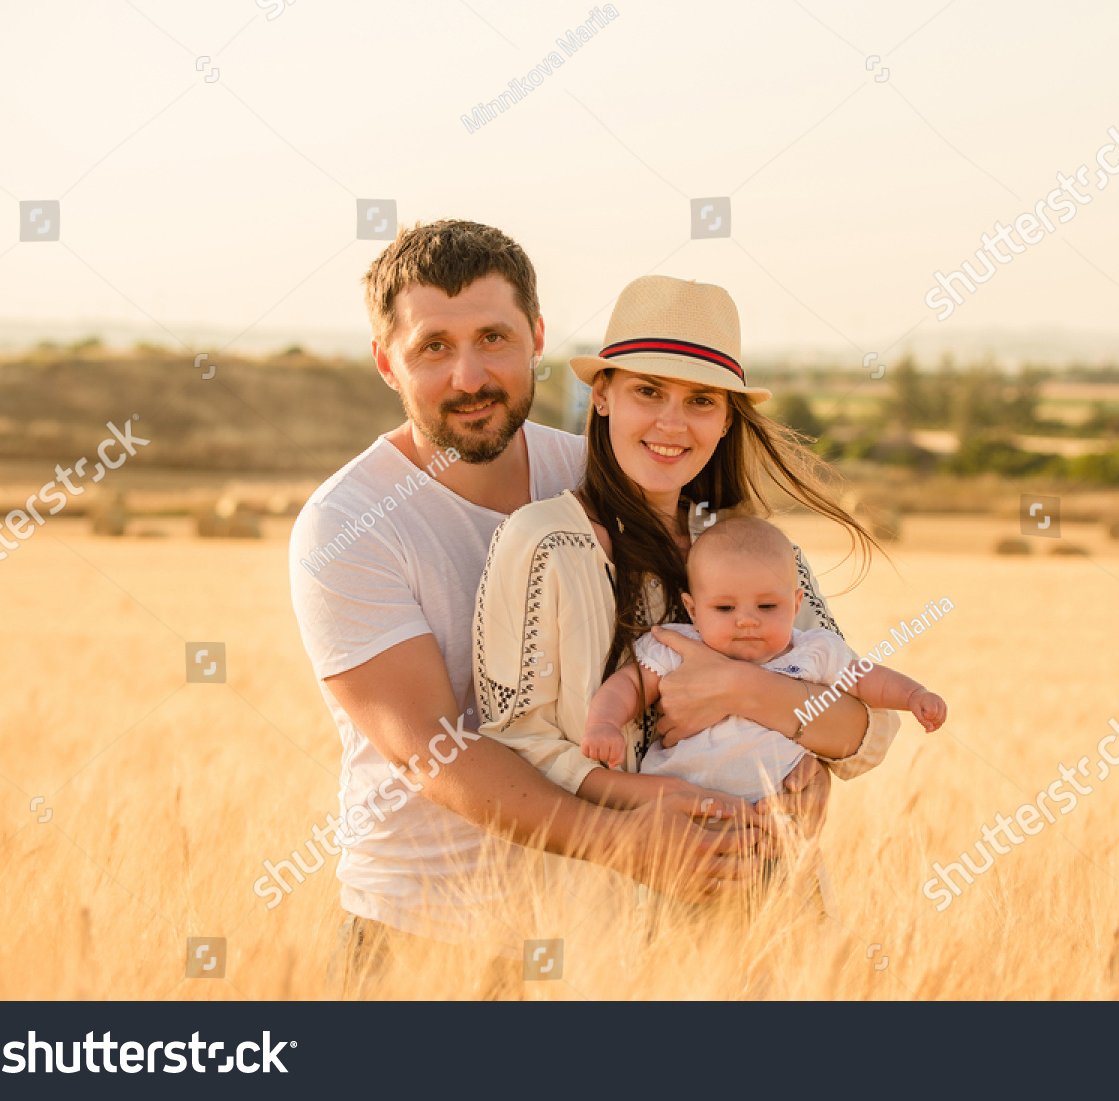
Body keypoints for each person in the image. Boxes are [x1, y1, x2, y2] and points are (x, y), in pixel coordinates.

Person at [289, 222, 800, 998]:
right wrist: (626, 840)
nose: (469, 375)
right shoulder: (348, 525)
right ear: (386, 362)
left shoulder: (603, 474)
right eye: (434, 346)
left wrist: (806, 768)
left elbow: (747, 638)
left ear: (534, 336)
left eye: (493, 337)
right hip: (420, 940)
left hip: (592, 945)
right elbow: (429, 748)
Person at [473, 274, 901, 917]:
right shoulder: (543, 543)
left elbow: (864, 726)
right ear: (603, 397)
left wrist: (739, 690)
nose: (672, 424)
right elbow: (514, 744)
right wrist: (646, 800)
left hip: (775, 911)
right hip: (614, 915)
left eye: (702, 400)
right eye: (648, 391)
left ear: (727, 418)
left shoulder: (761, 553)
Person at [583, 514, 947, 807]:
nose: (746, 620)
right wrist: (604, 723)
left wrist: (914, 695)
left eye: (767, 606)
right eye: (724, 608)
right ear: (692, 610)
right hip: (681, 809)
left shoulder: (812, 651)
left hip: (772, 814)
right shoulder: (679, 645)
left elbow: (868, 680)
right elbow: (630, 685)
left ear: (796, 604)